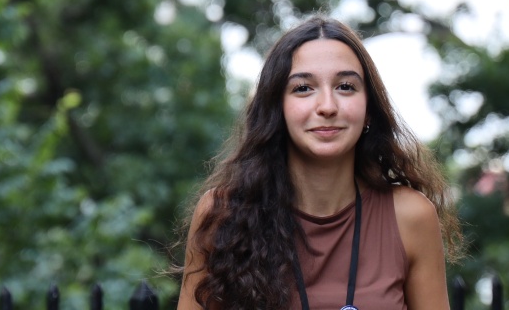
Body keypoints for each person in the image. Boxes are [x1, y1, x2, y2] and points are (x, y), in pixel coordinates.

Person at [172, 17, 461, 310]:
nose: (327, 106)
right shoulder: (223, 214)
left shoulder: (411, 218)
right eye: (303, 88)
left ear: (369, 111)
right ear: (277, 108)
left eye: (346, 87)